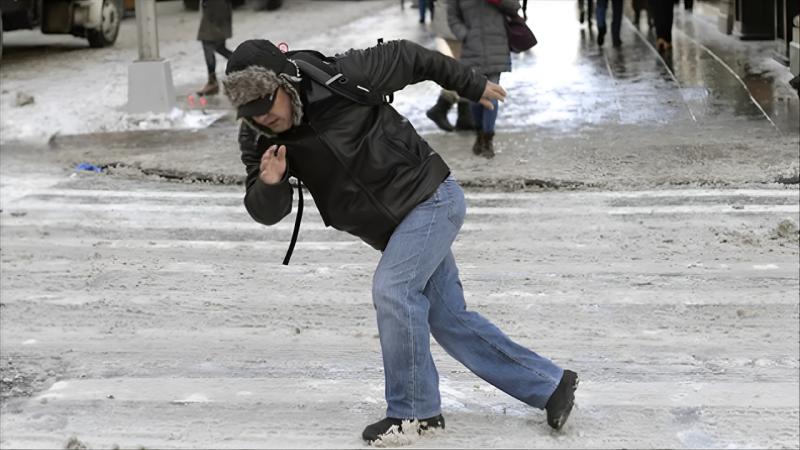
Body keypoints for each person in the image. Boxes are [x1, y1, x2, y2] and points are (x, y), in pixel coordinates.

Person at [222, 38, 579, 444]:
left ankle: (414, 412)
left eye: (267, 103)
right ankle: (549, 385)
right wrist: (270, 184)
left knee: (393, 290)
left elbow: (412, 57)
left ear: (285, 82)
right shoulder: (258, 138)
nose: (263, 117)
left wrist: (471, 84)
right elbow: (266, 210)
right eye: (250, 112)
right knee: (450, 319)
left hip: (431, 198)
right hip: (390, 232)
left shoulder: (341, 75)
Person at [449, 0, 520, 159]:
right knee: (475, 96)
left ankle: (488, 139)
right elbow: (453, 17)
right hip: (472, 50)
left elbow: (514, 7)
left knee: (492, 96)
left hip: (496, 47)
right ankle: (479, 133)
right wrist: (465, 34)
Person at [425, 0, 477, 132]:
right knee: (467, 67)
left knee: (468, 67)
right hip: (455, 22)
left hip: (455, 20)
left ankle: (463, 115)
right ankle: (443, 107)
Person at [196, 0, 234, 96]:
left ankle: (212, 81)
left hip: (215, 14)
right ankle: (244, 65)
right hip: (216, 13)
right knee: (219, 47)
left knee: (209, 44)